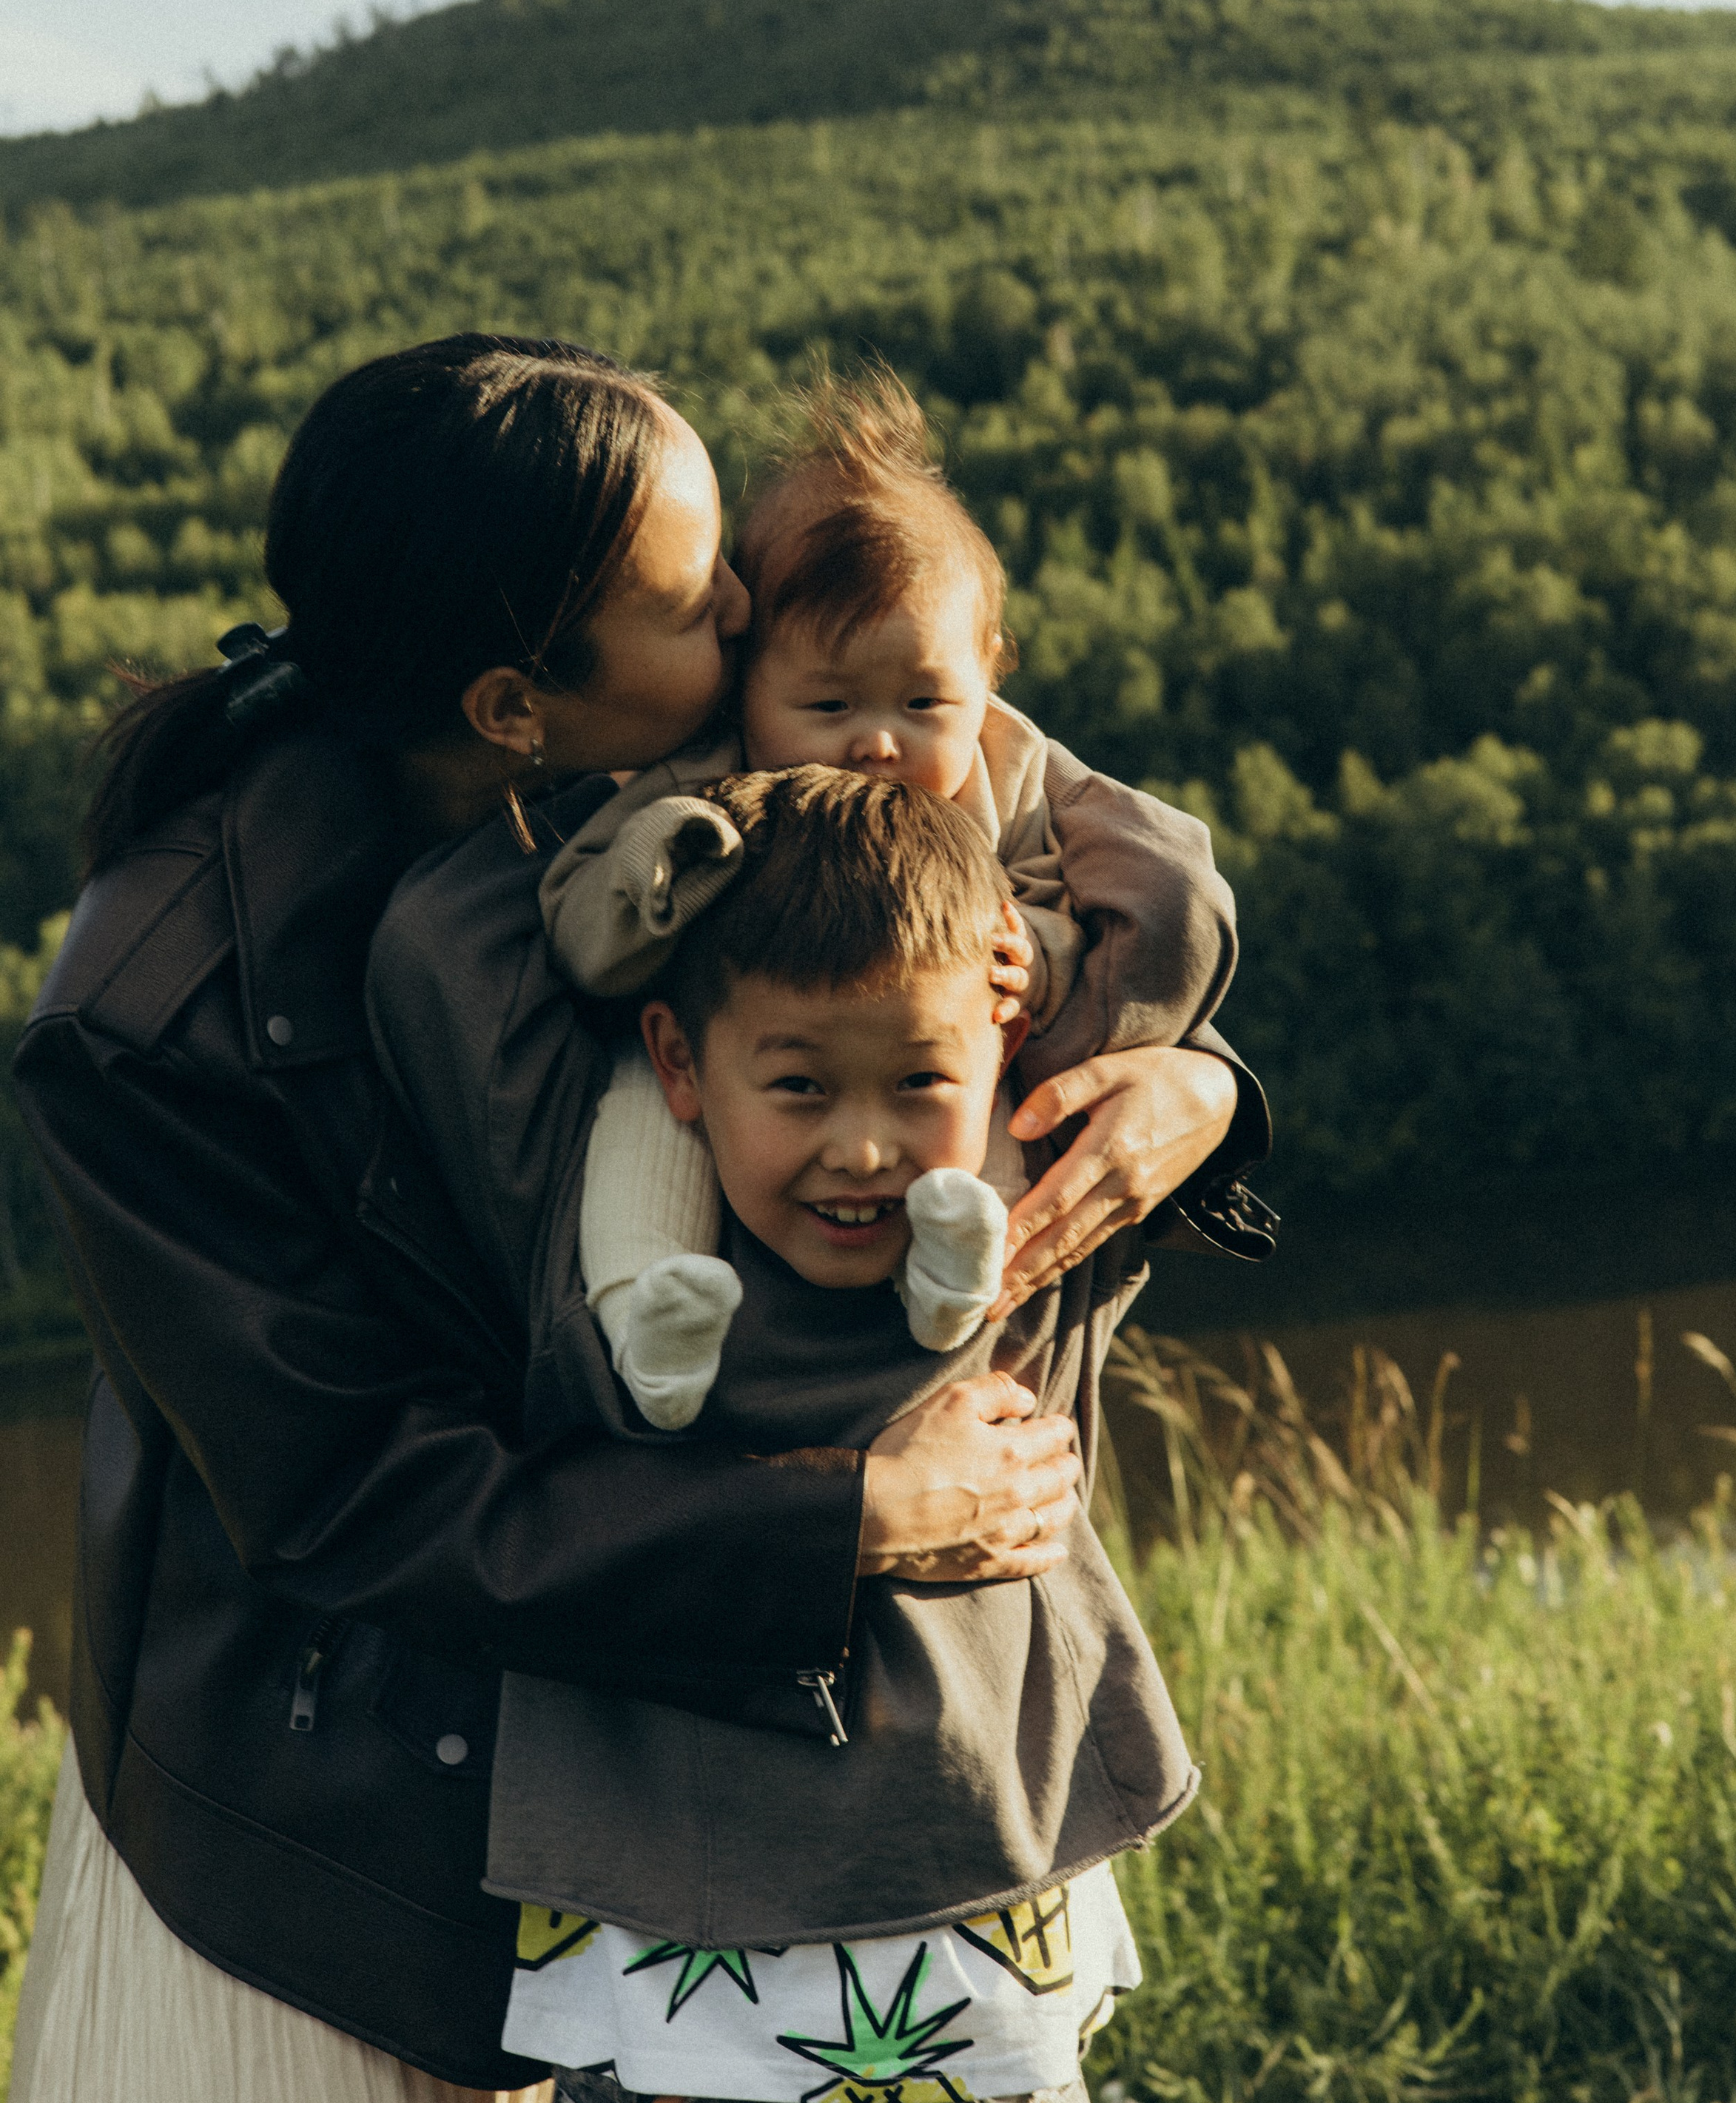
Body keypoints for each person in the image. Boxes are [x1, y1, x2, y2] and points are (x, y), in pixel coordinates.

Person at [6, 334, 1271, 2103]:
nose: (763, 617)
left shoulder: (694, 739)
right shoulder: (151, 1018)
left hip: (666, 1767)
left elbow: (999, 809)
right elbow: (352, 1496)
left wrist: (1190, 1082)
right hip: (339, 1841)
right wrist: (845, 1523)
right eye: (707, 606)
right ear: (516, 702)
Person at [487, 767, 1197, 2103]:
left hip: (977, 1898)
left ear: (1006, 1055)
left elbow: (1171, 907)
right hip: (684, 1938)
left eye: (921, 1082)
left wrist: (1199, 1078)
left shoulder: (1044, 1241)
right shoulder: (595, 1290)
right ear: (678, 1066)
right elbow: (436, 953)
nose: (866, 1151)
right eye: (802, 1089)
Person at [509, 366, 1250, 1426]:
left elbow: (1149, 894)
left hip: (947, 1079)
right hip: (728, 1081)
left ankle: (957, 1274)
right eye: (827, 702)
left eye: (924, 700)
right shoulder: (708, 777)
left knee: (975, 1097)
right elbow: (585, 916)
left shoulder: (1004, 774)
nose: (878, 741)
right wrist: (671, 864)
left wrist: (1049, 958)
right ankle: (650, 1324)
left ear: (986, 677)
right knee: (645, 1114)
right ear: (746, 676)